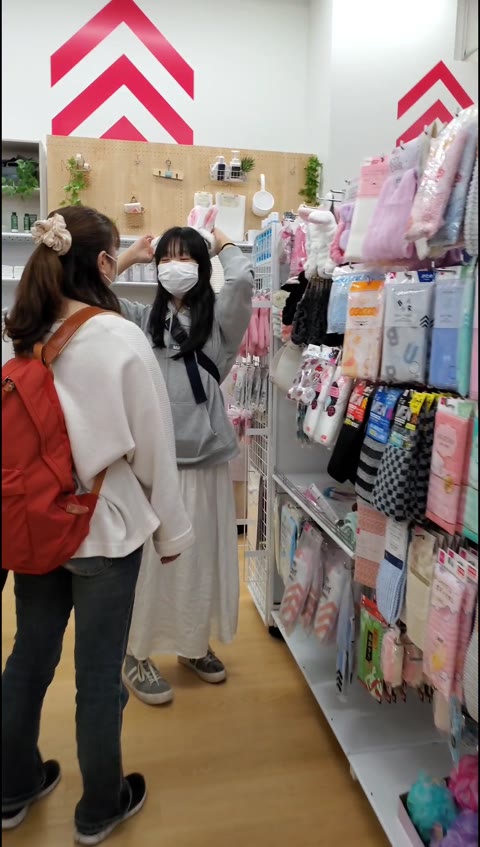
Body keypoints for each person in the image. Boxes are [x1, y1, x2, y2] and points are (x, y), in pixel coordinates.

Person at [2, 207, 193, 843]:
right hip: (104, 529)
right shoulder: (118, 337)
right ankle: (99, 806)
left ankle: (12, 786)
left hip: (36, 523)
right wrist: (171, 533)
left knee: (29, 657)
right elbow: (153, 447)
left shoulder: (25, 331)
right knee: (98, 673)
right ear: (105, 263)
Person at [116, 226, 254, 705]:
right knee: (150, 565)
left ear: (202, 266)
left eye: (186, 258)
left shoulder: (219, 324)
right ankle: (135, 652)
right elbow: (90, 294)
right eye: (166, 259)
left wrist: (225, 244)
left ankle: (193, 644)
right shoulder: (140, 319)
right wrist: (128, 256)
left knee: (199, 558)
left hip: (206, 459)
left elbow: (242, 282)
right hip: (155, 463)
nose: (174, 266)